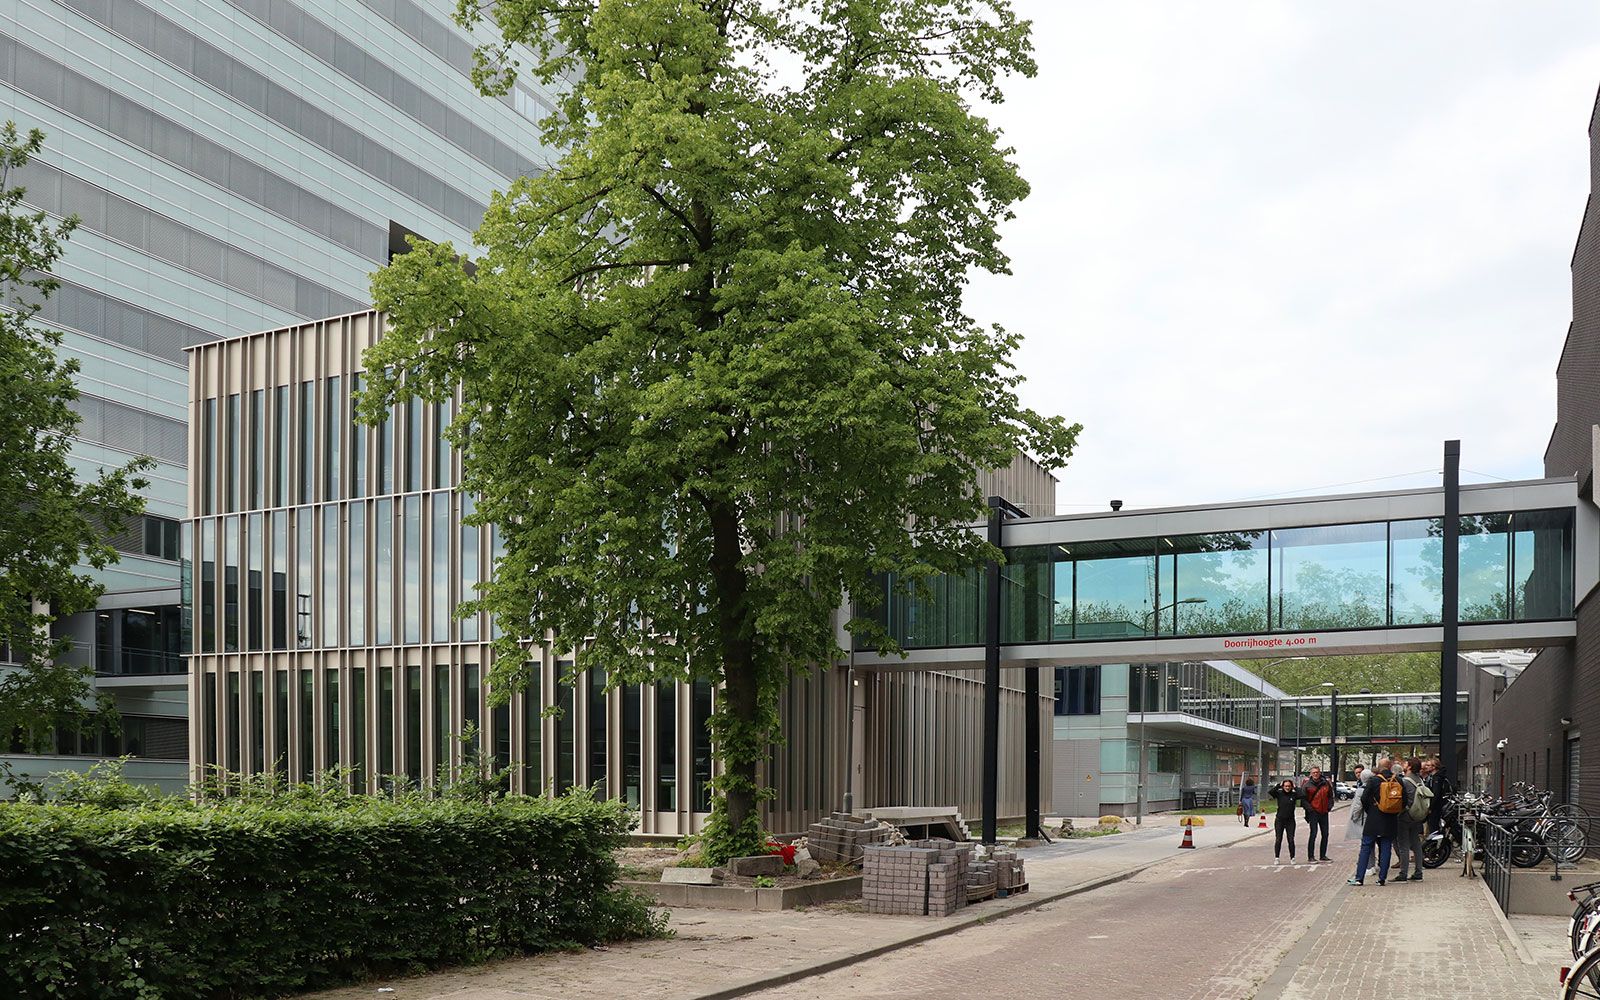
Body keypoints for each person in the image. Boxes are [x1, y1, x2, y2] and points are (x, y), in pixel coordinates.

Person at [1348, 756, 1400, 886]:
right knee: (1386, 848)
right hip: (1390, 820)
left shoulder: (1374, 781)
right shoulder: (1397, 780)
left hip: (1373, 819)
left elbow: (1364, 798)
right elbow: (1403, 801)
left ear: (1379, 767)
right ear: (1390, 766)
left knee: (1366, 847)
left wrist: (1371, 811)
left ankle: (1359, 878)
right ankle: (1382, 879)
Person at [1393, 757, 1425, 882]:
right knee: (1416, 843)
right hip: (1417, 815)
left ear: (1410, 767)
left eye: (1406, 763)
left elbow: (1402, 799)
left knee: (1403, 845)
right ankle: (1418, 872)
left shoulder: (1405, 781)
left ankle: (1403, 873)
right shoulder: (1420, 780)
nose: (1404, 764)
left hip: (1405, 815)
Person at [1301, 766, 1334, 862]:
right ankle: (1310, 856)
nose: (1316, 774)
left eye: (1317, 772)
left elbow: (1330, 796)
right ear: (1311, 774)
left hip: (1324, 812)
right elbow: (1303, 800)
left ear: (1320, 773)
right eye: (1314, 772)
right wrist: (1310, 809)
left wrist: (1329, 806)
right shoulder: (1307, 785)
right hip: (1313, 813)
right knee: (1313, 834)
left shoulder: (1326, 783)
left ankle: (1323, 855)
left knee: (1325, 834)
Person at [1269, 779, 1300, 862]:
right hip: (1280, 820)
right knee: (1278, 839)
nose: (1287, 788)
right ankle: (1277, 857)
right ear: (1283, 787)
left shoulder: (1294, 794)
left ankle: (1292, 858)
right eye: (1286, 786)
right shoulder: (1279, 794)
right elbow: (1271, 792)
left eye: (1289, 786)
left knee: (1291, 839)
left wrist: (1295, 787)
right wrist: (1279, 785)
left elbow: (1302, 795)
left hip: (1290, 820)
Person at [1422, 757, 1453, 838]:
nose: (1426, 767)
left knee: (1434, 827)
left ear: (1434, 767)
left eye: (1428, 765)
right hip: (1438, 807)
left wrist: (1430, 807)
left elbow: (1436, 794)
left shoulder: (1437, 778)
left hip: (1436, 808)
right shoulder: (1437, 777)